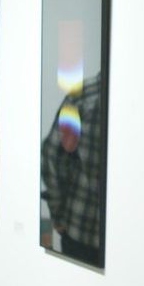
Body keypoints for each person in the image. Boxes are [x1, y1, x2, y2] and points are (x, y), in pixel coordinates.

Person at [41, 72, 104, 266]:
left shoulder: (81, 95)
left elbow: (52, 154)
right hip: (129, 237)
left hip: (78, 226)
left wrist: (58, 212)